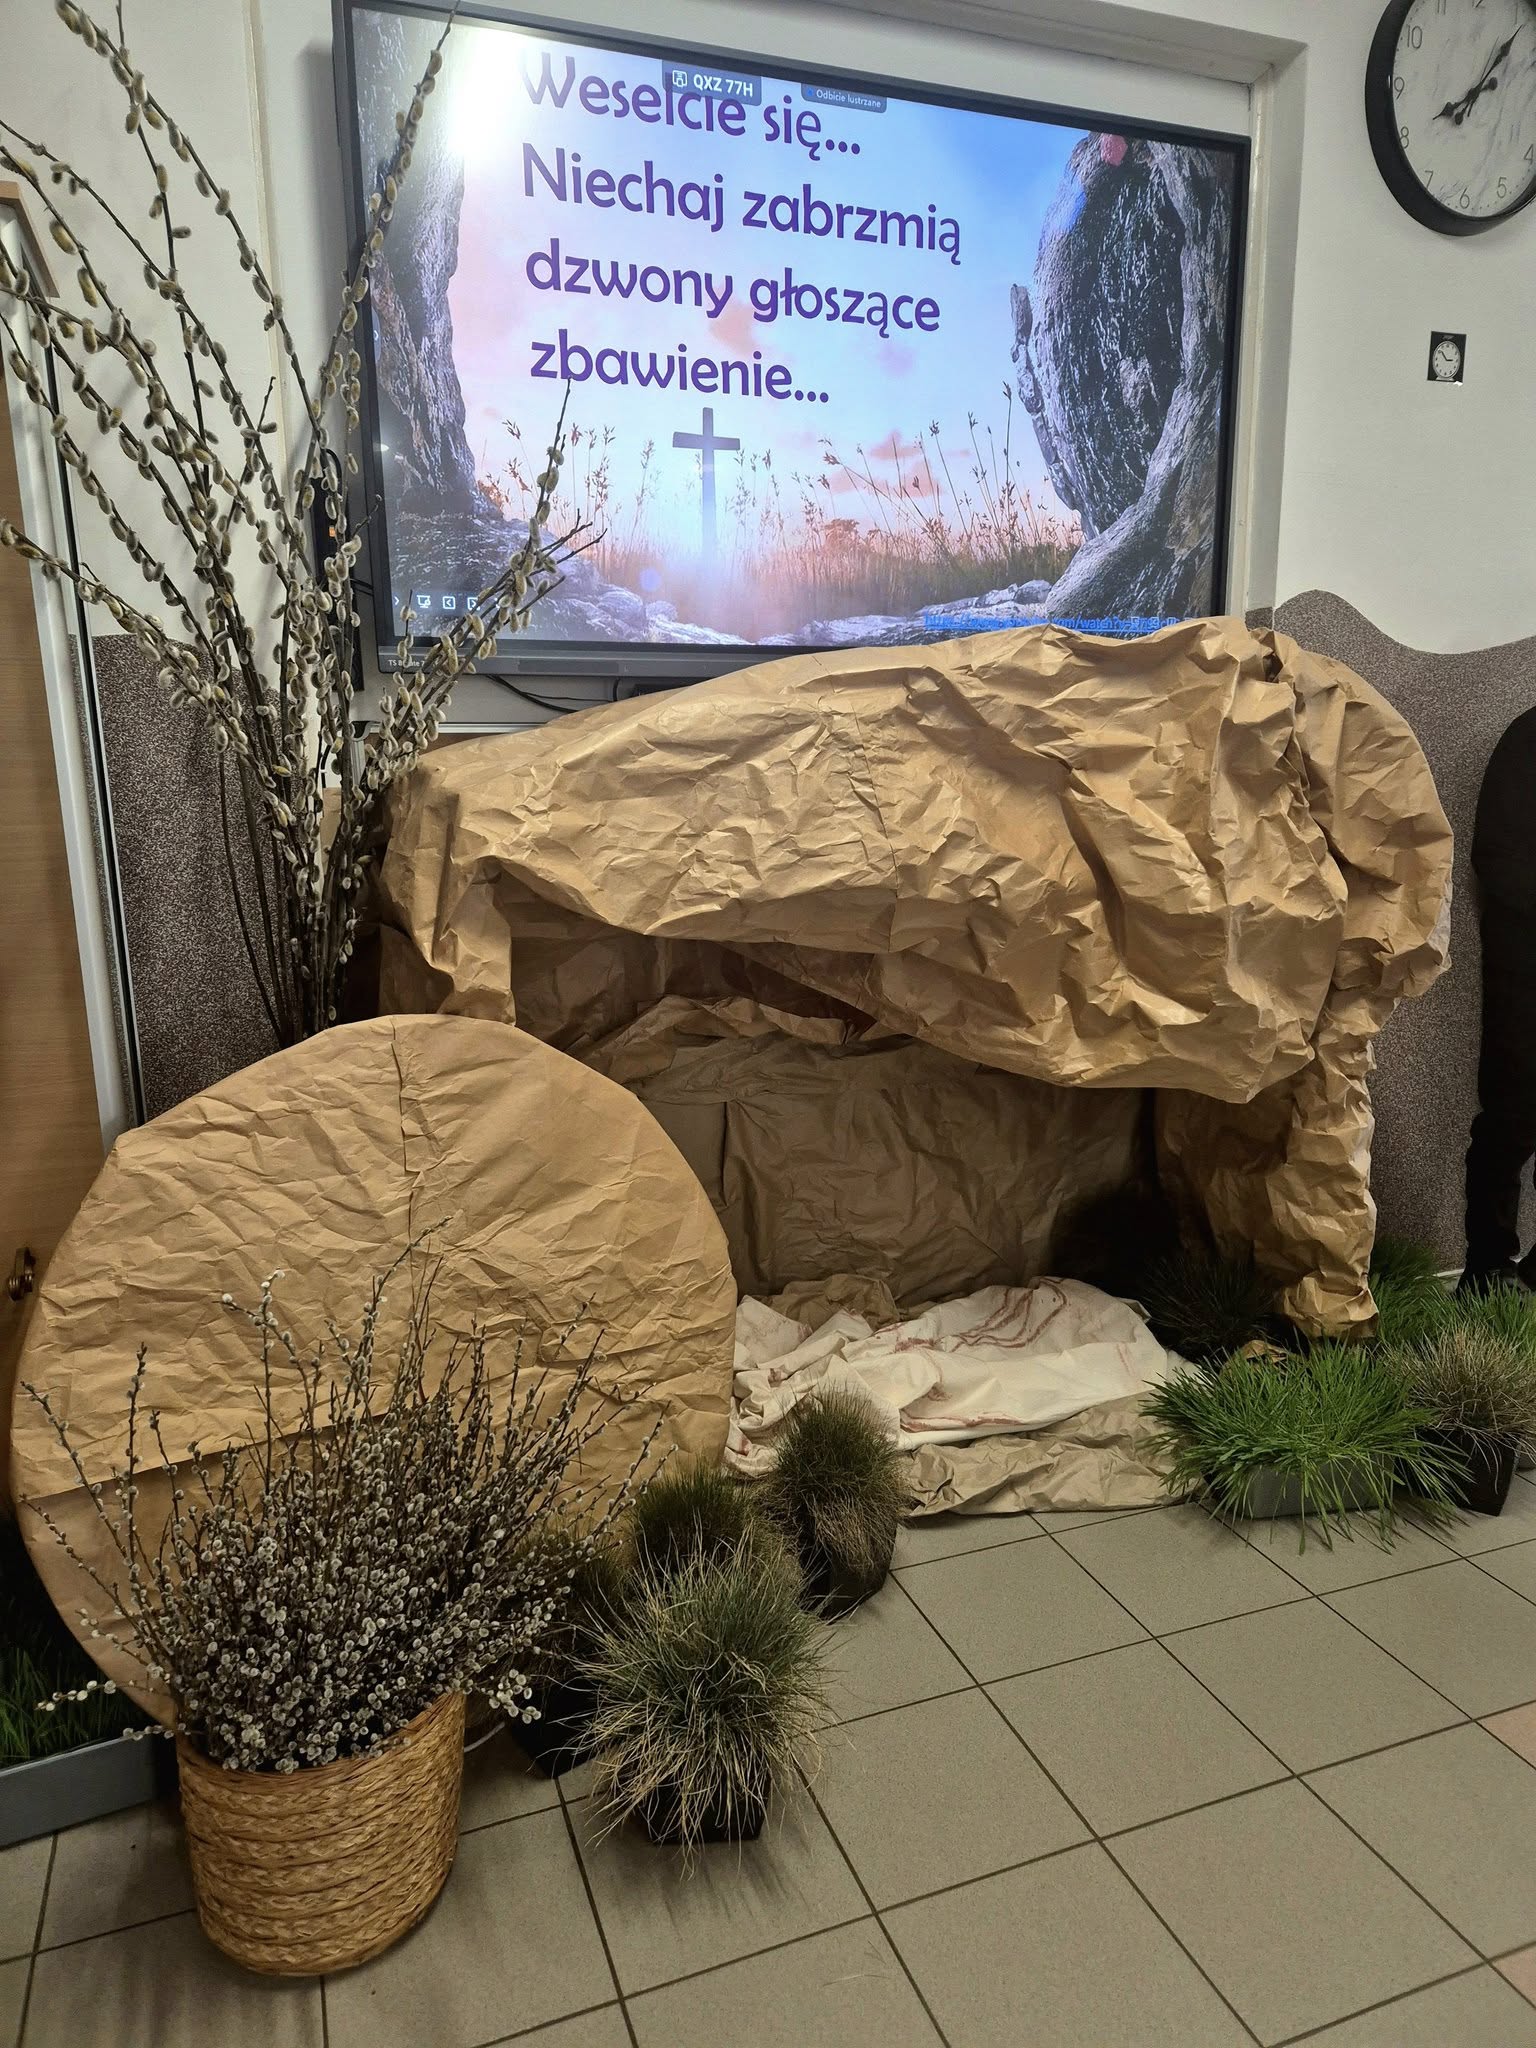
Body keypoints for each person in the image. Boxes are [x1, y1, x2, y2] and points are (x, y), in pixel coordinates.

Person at [1463, 705, 1536, 1292]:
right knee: (1510, 1119)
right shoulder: (1529, 736)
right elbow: (1495, 854)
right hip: (1524, 967)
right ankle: (1488, 1269)